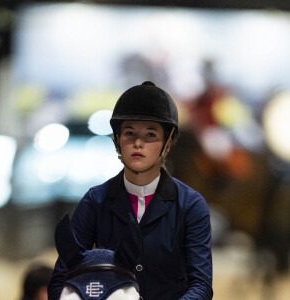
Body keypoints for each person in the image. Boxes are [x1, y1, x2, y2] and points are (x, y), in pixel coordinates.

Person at [48, 81, 213, 300]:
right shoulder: (95, 201)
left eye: (150, 135)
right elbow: (61, 279)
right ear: (117, 139)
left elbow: (201, 285)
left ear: (169, 141)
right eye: (129, 133)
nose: (137, 143)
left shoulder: (191, 205)